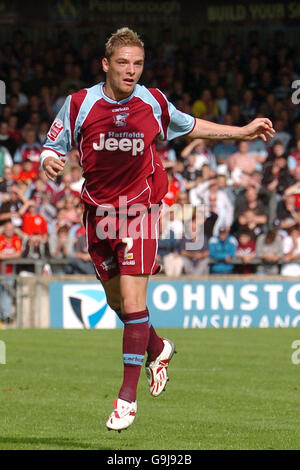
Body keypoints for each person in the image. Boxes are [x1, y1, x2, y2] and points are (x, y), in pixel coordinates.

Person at [40, 27, 274, 432]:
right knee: (118, 305)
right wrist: (48, 160)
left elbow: (192, 125)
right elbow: (53, 145)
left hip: (139, 210)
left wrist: (241, 131)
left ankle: (126, 398)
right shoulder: (79, 104)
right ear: (105, 64)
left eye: (138, 64)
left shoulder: (152, 101)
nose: (131, 71)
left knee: (132, 304)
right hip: (97, 213)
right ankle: (158, 347)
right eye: (123, 63)